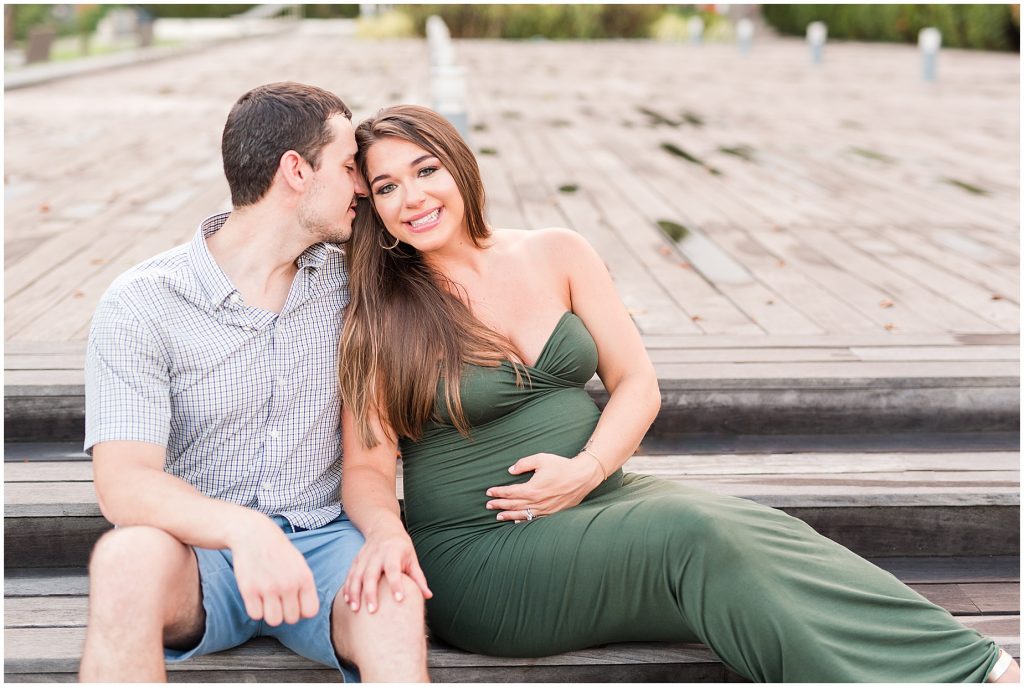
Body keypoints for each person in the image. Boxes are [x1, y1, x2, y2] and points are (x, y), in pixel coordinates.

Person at [337, 104, 1020, 683]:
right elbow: (367, 468)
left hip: (601, 497)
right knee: (694, 535)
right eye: (388, 187)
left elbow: (637, 383)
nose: (414, 198)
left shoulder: (557, 251)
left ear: (459, 166)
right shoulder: (381, 311)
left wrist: (585, 470)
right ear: (374, 207)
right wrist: (387, 536)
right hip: (484, 553)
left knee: (760, 532)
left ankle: (977, 664)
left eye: (426, 170)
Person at [79, 83, 429, 683]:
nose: (365, 188)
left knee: (394, 597)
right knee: (123, 558)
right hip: (197, 552)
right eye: (350, 167)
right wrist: (245, 530)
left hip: (324, 543)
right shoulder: (142, 302)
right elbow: (123, 484)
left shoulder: (356, 289)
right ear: (297, 171)